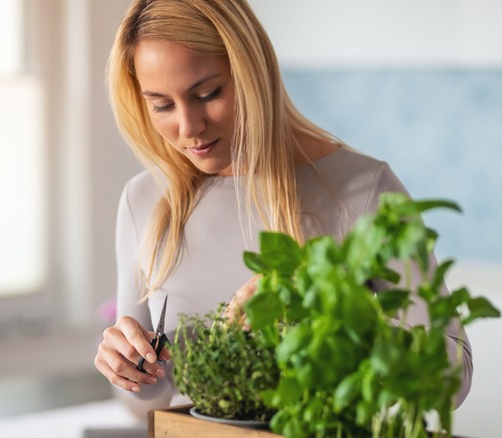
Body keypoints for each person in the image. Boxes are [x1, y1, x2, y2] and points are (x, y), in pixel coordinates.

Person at [94, 0, 473, 418]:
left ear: (252, 71)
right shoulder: (144, 200)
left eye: (208, 94)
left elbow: (452, 378)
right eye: (162, 105)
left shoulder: (364, 191)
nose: (188, 127)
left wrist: (333, 316)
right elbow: (147, 404)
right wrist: (127, 368)